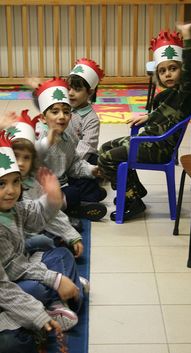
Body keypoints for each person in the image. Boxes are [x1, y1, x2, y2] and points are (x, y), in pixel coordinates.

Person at [98, 22, 191, 221]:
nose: (168, 74)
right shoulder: (170, 95)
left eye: (173, 69)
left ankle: (132, 200)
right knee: (104, 148)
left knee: (106, 159)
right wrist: (149, 117)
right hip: (150, 141)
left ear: (182, 70)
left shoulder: (185, 93)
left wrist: (187, 37)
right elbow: (167, 114)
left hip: (157, 148)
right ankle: (135, 189)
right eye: (162, 71)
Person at [0, 131, 85, 352]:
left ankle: (55, 305)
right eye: (1, 184)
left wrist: (52, 199)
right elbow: (5, 283)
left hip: (16, 279)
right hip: (7, 288)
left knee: (61, 254)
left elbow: (35, 213)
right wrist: (55, 280)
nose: (10, 191)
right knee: (15, 340)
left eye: (15, 182)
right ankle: (50, 309)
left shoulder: (14, 208)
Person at [8, 110, 84, 257]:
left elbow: (48, 211)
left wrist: (70, 234)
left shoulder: (32, 182)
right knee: (45, 242)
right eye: (15, 156)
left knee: (52, 238)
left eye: (26, 158)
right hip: (10, 242)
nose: (20, 163)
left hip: (30, 231)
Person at [34, 78, 107, 221]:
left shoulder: (69, 136)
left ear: (70, 115)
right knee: (73, 193)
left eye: (66, 112)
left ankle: (82, 202)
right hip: (41, 191)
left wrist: (91, 170)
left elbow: (74, 163)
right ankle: (76, 208)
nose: (62, 116)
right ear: (43, 118)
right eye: (55, 112)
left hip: (63, 182)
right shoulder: (38, 136)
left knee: (88, 180)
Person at [67, 57, 105, 165]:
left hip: (79, 162)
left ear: (90, 92)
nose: (70, 93)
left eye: (77, 89)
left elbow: (86, 148)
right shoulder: (63, 108)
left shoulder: (91, 119)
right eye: (69, 88)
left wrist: (67, 165)